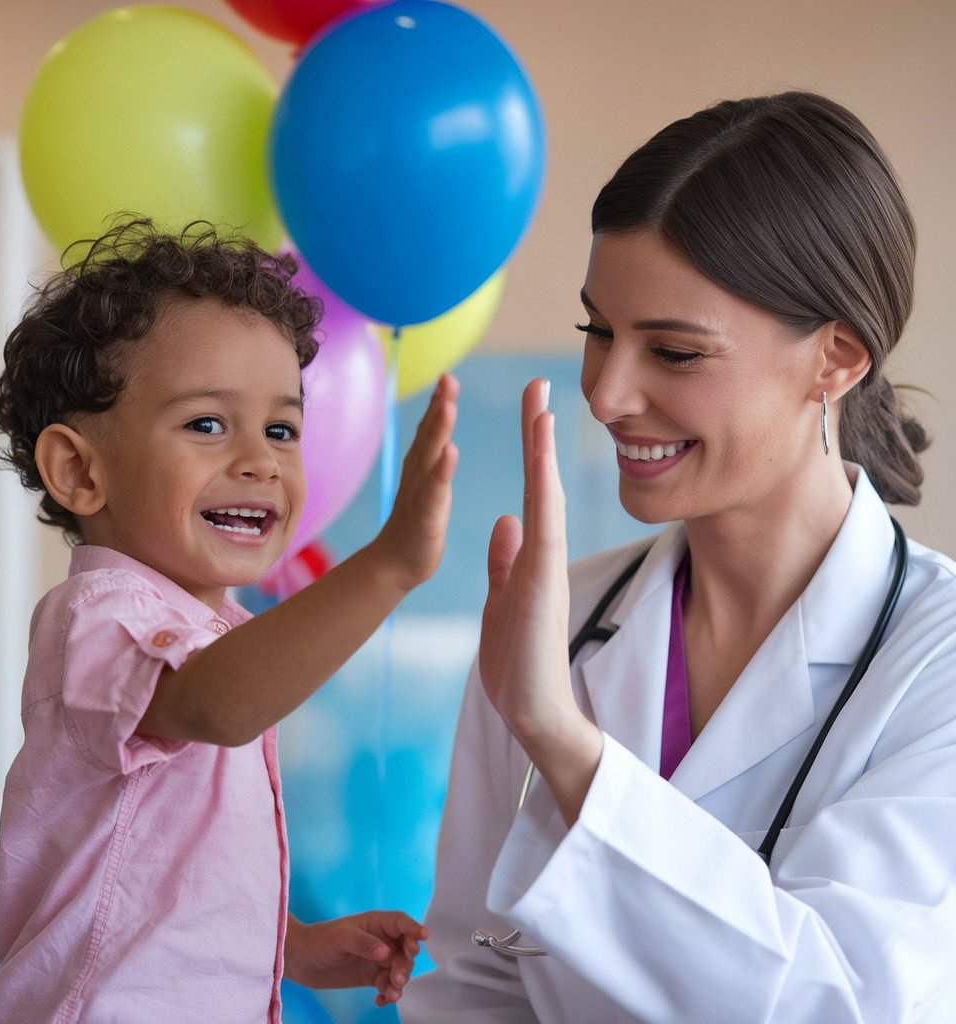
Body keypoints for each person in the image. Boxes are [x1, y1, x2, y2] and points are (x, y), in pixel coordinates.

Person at [402, 91, 956, 1023]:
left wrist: (566, 747)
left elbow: (847, 1001)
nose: (610, 393)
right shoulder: (559, 622)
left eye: (675, 352)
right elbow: (478, 975)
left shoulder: (934, 658)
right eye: (599, 333)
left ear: (837, 358)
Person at [0, 218, 459, 1023]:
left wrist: (287, 941)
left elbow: (166, 878)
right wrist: (389, 563)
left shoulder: (218, 638)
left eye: (282, 429)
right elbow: (214, 706)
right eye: (206, 424)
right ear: (80, 470)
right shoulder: (98, 618)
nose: (259, 460)